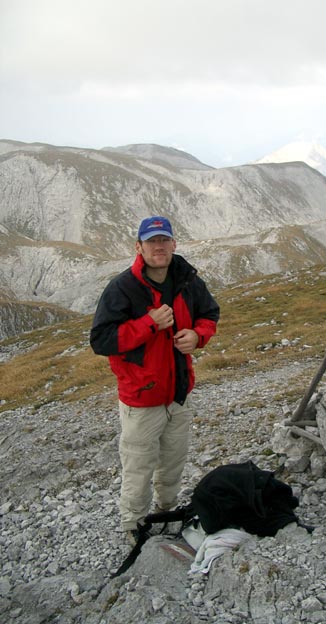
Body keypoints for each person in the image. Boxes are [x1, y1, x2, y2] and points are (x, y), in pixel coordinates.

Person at [90, 216, 220, 543]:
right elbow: (101, 340)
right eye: (151, 241)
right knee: (138, 469)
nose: (158, 247)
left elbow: (210, 313)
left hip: (178, 394)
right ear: (139, 247)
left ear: (174, 244)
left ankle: (166, 514)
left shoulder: (188, 280)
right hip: (141, 399)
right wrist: (148, 323)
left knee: (173, 462)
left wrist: (198, 335)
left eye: (164, 240)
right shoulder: (123, 288)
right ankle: (133, 528)